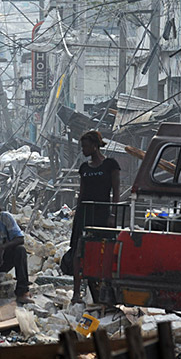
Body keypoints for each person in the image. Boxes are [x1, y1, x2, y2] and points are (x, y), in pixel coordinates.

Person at [72, 130, 120, 304]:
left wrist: (112, 213)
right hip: (85, 214)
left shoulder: (111, 165)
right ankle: (76, 293)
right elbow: (82, 192)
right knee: (79, 251)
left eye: (85, 146)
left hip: (102, 214)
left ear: (94, 146)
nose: (83, 150)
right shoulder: (84, 168)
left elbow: (116, 191)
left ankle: (104, 292)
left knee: (102, 251)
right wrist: (77, 216)